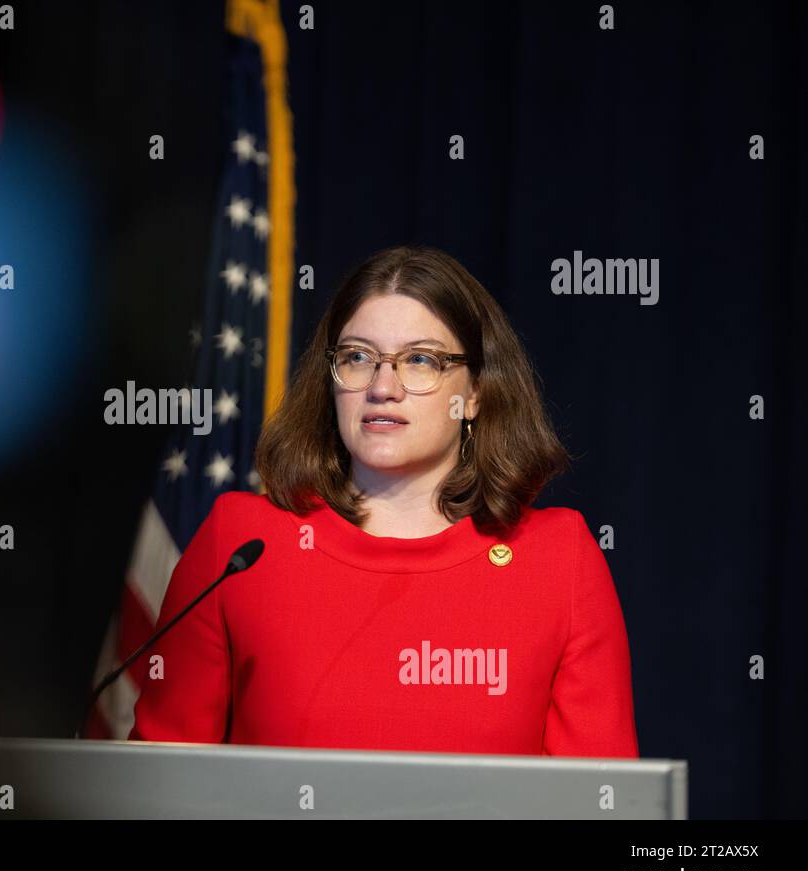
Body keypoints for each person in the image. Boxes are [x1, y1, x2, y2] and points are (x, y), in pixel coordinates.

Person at [128, 245, 639, 757]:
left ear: (477, 391)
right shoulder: (242, 544)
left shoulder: (556, 557)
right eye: (357, 357)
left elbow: (603, 801)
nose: (382, 386)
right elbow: (157, 784)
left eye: (420, 360)